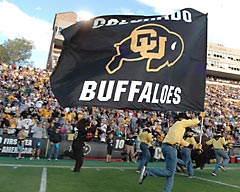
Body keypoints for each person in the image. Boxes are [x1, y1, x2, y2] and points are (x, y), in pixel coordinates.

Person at [138, 112, 201, 192]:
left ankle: (167, 190)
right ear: (182, 118)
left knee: (170, 173)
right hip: (171, 148)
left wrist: (193, 146)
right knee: (170, 172)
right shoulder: (181, 123)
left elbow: (180, 140)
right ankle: (148, 171)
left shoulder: (177, 127)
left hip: (168, 147)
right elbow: (193, 122)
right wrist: (200, 117)